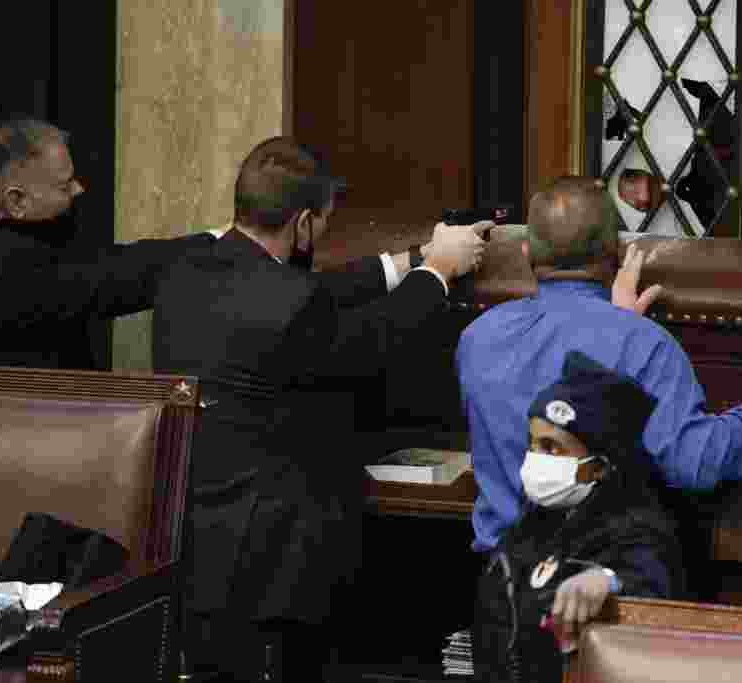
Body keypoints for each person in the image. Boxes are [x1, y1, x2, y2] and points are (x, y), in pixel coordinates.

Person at [150, 136, 488, 682]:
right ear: (304, 222)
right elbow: (370, 343)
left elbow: (299, 293)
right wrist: (438, 275)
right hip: (272, 556)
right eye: (325, 221)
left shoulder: (186, 273)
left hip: (196, 534)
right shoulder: (292, 304)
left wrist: (412, 261)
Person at [456, 176, 742, 585]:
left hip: (502, 586)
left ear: (526, 251)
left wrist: (618, 327)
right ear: (617, 252)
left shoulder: (478, 338)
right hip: (600, 588)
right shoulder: (644, 346)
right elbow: (695, 464)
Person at [473, 350, 685, 683]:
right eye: (533, 445)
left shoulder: (639, 528)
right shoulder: (534, 522)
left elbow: (651, 582)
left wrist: (607, 581)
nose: (535, 460)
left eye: (552, 448)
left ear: (599, 466)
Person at [0, 115, 214, 368]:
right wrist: (223, 239)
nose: (79, 189)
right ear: (17, 201)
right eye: (64, 186)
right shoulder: (9, 266)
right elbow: (119, 273)